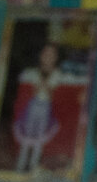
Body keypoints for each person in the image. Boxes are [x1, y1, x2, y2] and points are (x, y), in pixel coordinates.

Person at [9, 41, 64, 174]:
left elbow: (51, 95)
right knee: (27, 137)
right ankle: (20, 167)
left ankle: (33, 167)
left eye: (52, 55)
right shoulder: (33, 72)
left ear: (56, 58)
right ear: (40, 56)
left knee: (39, 138)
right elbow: (31, 91)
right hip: (32, 108)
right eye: (46, 54)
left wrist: (44, 84)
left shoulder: (57, 74)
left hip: (45, 109)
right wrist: (41, 83)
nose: (48, 57)